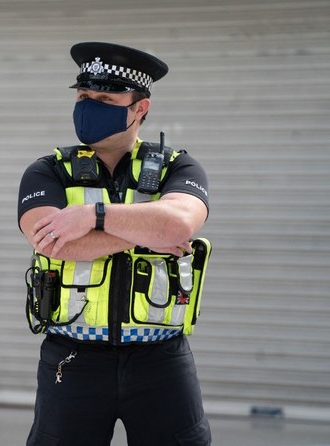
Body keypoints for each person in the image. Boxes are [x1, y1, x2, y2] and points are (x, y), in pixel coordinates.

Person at [18, 42, 212, 445]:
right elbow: (50, 242)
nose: (89, 106)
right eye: (83, 97)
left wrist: (92, 217)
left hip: (161, 360)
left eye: (105, 99)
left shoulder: (177, 167)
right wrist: (147, 231)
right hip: (72, 359)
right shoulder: (48, 171)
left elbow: (179, 224)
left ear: (140, 108)